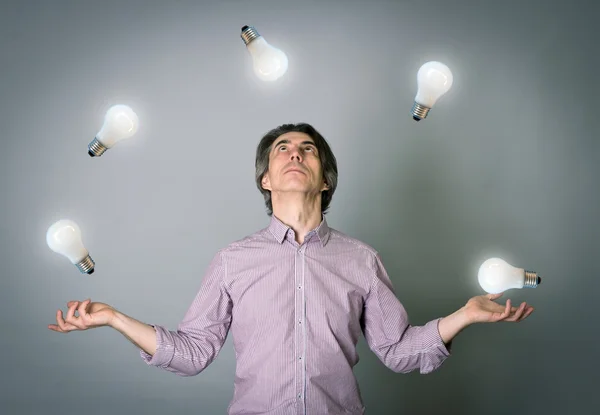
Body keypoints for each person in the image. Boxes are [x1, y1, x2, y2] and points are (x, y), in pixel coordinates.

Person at [48, 123, 534, 414]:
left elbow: (399, 349)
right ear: (266, 179)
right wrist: (114, 318)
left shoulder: (361, 260)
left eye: (308, 149)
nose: (295, 153)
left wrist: (465, 316)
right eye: (283, 148)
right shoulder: (232, 260)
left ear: (325, 181)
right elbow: (193, 352)